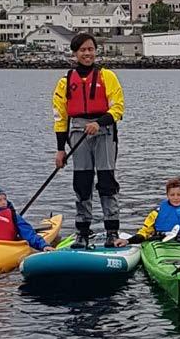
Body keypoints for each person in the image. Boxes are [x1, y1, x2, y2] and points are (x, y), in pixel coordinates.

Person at [52, 32, 125, 248]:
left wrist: (99, 122)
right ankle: (82, 232)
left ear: (95, 51)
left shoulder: (107, 77)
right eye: (83, 50)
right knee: (82, 183)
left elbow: (118, 107)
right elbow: (60, 117)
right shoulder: (64, 83)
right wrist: (60, 149)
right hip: (77, 132)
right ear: (75, 53)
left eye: (90, 49)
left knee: (106, 181)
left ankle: (112, 230)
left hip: (104, 133)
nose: (87, 53)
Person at [114, 177, 180, 247]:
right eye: (172, 195)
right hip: (163, 243)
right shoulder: (157, 213)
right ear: (167, 195)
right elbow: (145, 232)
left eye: (179, 194)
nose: (175, 198)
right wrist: (128, 241)